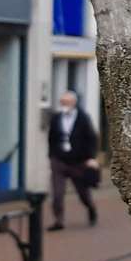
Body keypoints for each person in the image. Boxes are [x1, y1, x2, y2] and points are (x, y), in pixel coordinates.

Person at [47, 90, 99, 231]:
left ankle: (91, 208)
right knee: (57, 193)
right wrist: (52, 155)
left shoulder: (83, 118)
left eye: (67, 102)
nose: (64, 105)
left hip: (78, 161)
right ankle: (59, 221)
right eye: (62, 102)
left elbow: (92, 138)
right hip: (59, 160)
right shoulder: (56, 118)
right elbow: (51, 138)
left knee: (83, 193)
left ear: (74, 103)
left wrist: (91, 158)